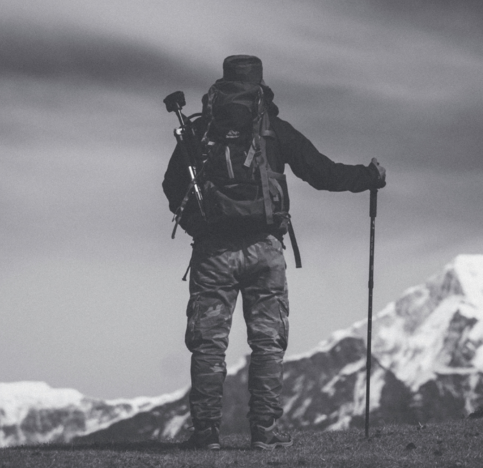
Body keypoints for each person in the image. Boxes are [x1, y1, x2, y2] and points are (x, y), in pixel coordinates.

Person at [162, 55, 386, 450]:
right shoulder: (273, 131)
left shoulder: (199, 130)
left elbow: (171, 186)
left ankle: (205, 435)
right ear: (261, 84)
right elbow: (322, 173)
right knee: (266, 344)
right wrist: (368, 176)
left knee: (209, 344)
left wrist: (202, 228)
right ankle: (264, 434)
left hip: (214, 252)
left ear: (222, 82)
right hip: (265, 251)